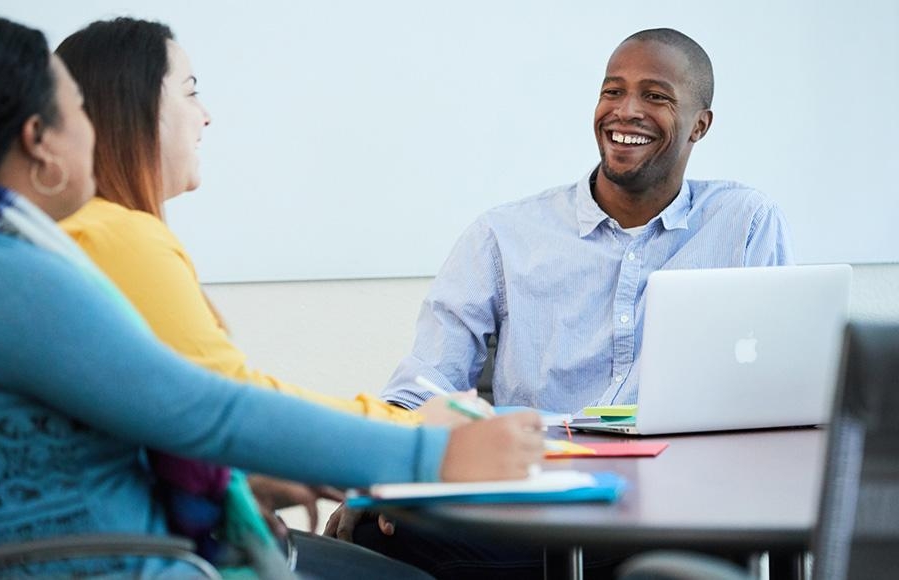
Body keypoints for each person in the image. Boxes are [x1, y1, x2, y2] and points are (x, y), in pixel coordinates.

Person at [0, 16, 544, 577]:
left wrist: (257, 476)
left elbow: (114, 427)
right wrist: (430, 454)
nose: (95, 134)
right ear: (38, 139)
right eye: (78, 113)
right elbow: (207, 411)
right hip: (121, 560)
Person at [329, 28, 795, 579]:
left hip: (681, 510)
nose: (626, 111)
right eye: (612, 91)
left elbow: (778, 392)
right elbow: (423, 385)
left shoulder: (744, 222)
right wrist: (384, 469)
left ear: (700, 124)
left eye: (656, 96)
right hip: (533, 500)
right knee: (371, 530)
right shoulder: (503, 236)